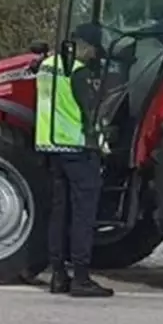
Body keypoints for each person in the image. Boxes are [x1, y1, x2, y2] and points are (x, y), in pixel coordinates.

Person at [35, 24, 114, 298]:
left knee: (59, 211)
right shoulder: (78, 72)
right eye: (93, 50)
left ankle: (58, 275)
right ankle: (81, 277)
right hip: (77, 148)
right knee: (83, 213)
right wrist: (103, 146)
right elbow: (89, 115)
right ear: (86, 46)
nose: (94, 56)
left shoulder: (46, 66)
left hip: (51, 145)